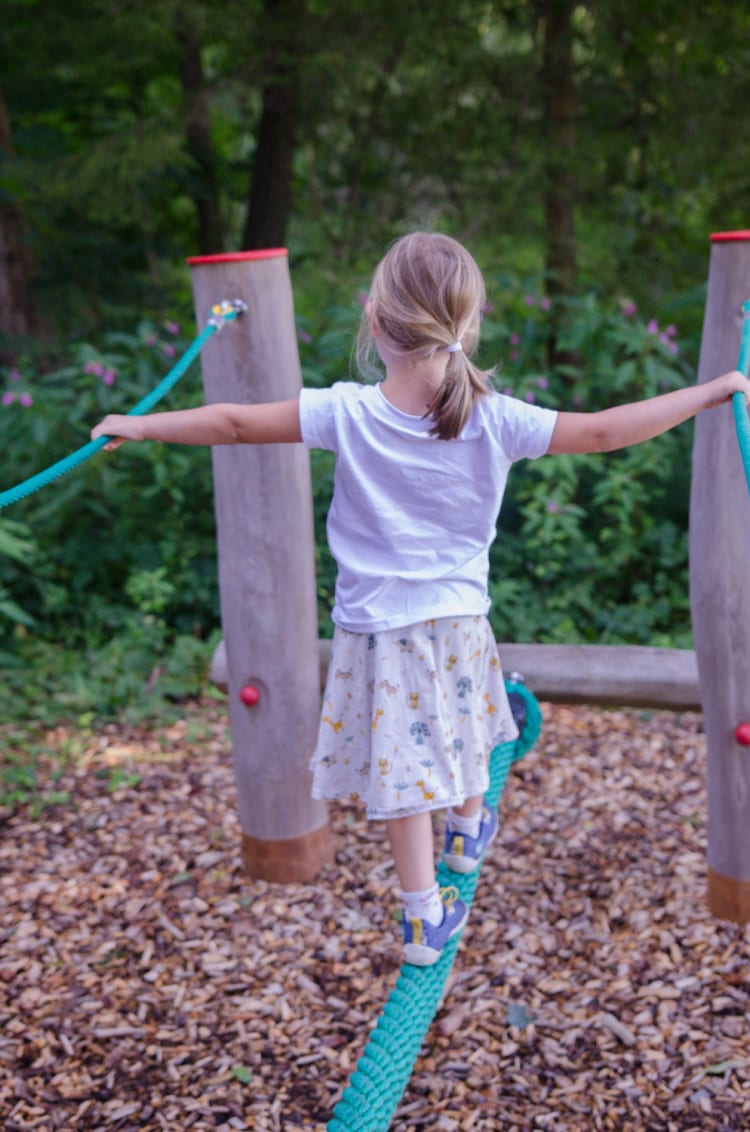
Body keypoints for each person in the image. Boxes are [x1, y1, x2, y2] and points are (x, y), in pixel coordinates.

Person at [92, 232, 750, 967]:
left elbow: (237, 423)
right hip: (458, 624)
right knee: (469, 729)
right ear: (469, 326)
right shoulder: (497, 419)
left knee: (403, 777)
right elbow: (603, 432)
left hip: (377, 633)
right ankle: (467, 833)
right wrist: (712, 391)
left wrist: (142, 425)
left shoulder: (346, 413)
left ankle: (420, 918)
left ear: (375, 321)